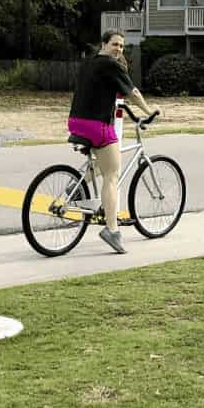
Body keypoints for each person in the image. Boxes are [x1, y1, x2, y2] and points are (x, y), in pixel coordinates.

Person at [68, 30, 156, 254]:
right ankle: (112, 230)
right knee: (112, 174)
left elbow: (100, 91)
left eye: (122, 47)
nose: (119, 49)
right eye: (115, 44)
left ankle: (76, 185)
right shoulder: (111, 64)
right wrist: (149, 110)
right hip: (98, 125)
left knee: (105, 162)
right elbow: (133, 92)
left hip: (76, 122)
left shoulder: (88, 63)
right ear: (104, 44)